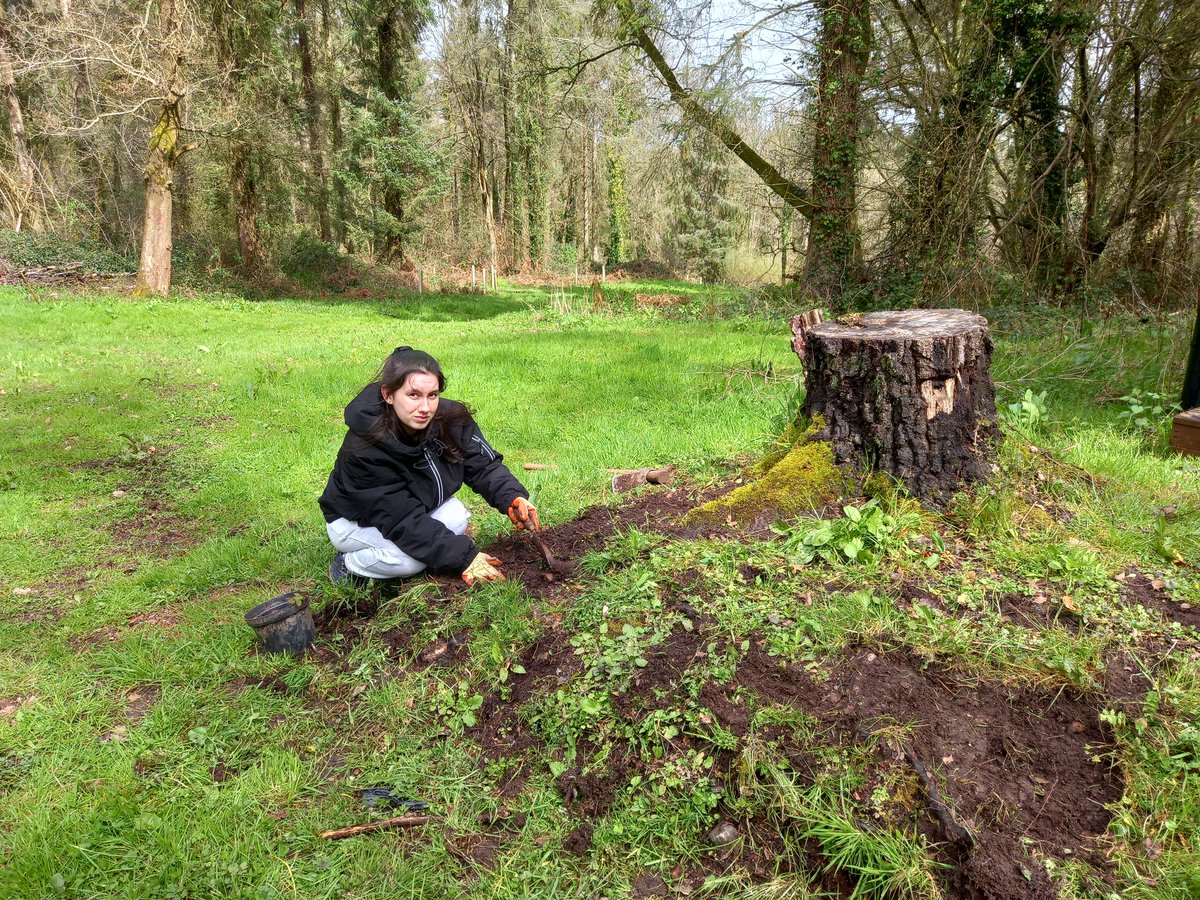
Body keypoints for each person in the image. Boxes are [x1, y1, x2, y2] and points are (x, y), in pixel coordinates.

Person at [319, 346, 539, 587]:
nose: (425, 408)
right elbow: (401, 520)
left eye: (432, 395)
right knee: (408, 562)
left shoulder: (451, 419)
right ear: (388, 394)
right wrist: (465, 558)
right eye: (413, 395)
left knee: (457, 518)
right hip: (355, 522)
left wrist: (511, 496)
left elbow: (483, 466)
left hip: (414, 507)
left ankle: (411, 554)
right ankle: (348, 564)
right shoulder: (364, 449)